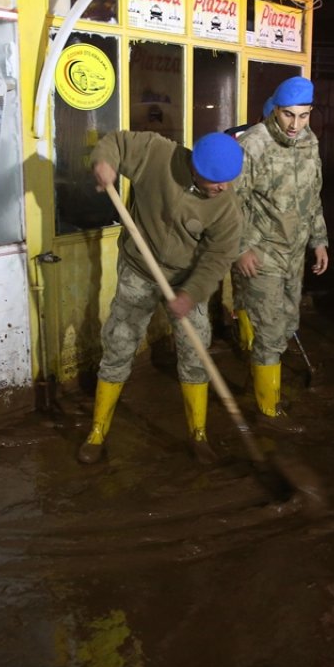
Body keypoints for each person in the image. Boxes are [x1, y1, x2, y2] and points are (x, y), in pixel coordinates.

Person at [78, 131, 244, 465]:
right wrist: (104, 162)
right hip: (139, 269)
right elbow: (115, 143)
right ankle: (97, 431)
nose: (223, 188)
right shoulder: (158, 156)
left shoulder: (226, 206)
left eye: (228, 181)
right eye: (216, 182)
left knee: (196, 354)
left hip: (186, 278)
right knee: (120, 343)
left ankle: (198, 434)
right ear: (195, 168)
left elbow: (218, 257)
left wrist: (191, 293)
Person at [233, 76, 329, 430]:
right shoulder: (253, 145)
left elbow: (313, 196)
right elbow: (233, 202)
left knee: (289, 324)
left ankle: (256, 378)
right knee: (272, 333)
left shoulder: (309, 142)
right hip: (262, 253)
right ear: (275, 110)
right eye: (289, 115)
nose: (295, 125)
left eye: (303, 116)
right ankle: (268, 412)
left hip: (295, 251)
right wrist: (242, 248)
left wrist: (319, 240)